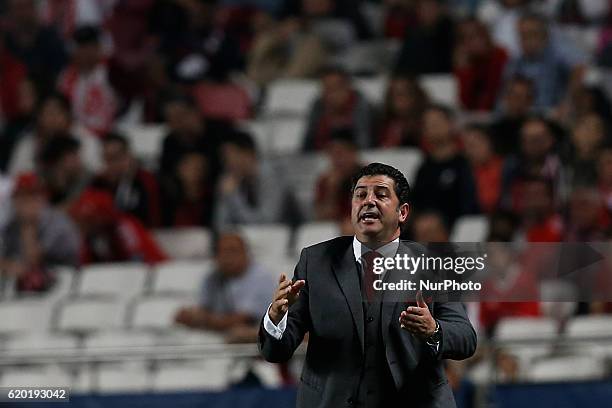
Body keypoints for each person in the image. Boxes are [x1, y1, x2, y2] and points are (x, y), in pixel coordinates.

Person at [259, 162, 477, 407]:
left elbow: (465, 338)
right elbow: (276, 351)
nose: (368, 201)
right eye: (360, 194)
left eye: (381, 195)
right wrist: (276, 318)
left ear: (402, 212)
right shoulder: (316, 262)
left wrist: (433, 330)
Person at [175, 232, 274, 343]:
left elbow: (242, 320)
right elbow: (203, 309)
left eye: (233, 251)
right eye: (221, 252)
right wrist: (189, 315)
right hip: (223, 334)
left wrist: (203, 319)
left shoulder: (261, 277)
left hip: (263, 336)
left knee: (239, 334)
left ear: (246, 254)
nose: (227, 257)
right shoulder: (211, 278)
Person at [0, 173, 80, 292]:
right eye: (19, 197)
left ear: (41, 198)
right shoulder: (11, 226)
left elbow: (33, 261)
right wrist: (12, 267)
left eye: (30, 196)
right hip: (28, 288)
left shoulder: (57, 223)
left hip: (64, 285)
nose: (23, 203)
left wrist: (28, 224)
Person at [214, 130, 300, 228]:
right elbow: (220, 225)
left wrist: (232, 196)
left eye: (229, 156)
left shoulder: (274, 176)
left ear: (248, 153)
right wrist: (225, 197)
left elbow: (266, 223)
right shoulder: (232, 180)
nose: (227, 163)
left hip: (287, 237)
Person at [69, 189, 167, 265]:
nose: (83, 225)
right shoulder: (92, 236)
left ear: (101, 218)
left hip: (154, 275)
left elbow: (140, 259)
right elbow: (85, 264)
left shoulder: (124, 227)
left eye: (88, 220)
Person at [90, 133, 162, 228]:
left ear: (128, 155)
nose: (111, 165)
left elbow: (154, 218)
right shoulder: (98, 183)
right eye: (106, 159)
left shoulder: (147, 181)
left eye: (115, 158)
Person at [302, 66, 373, 151]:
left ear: (347, 87)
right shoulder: (318, 109)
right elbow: (307, 147)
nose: (331, 94)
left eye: (335, 88)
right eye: (327, 89)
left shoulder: (365, 110)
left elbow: (367, 146)